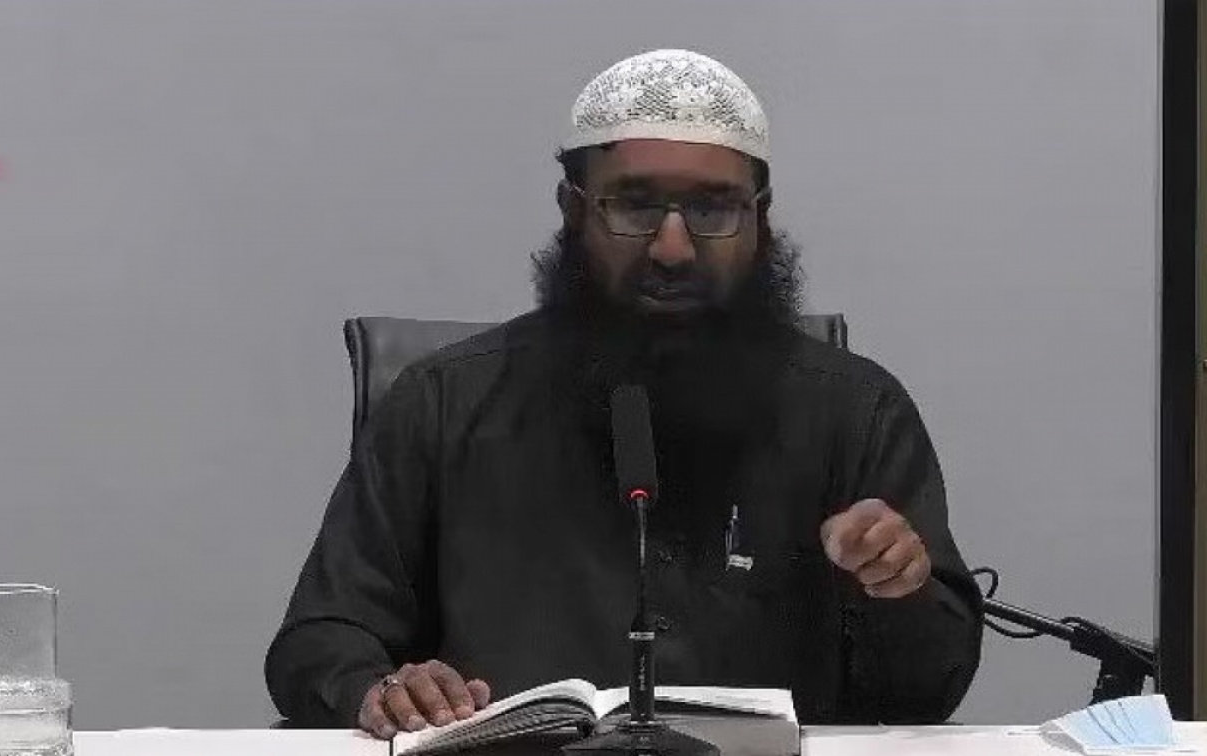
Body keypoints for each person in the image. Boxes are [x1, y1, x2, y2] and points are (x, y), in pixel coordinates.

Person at [264, 48, 983, 738]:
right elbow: (320, 638)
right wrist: (380, 688)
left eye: (713, 210)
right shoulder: (442, 404)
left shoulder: (855, 413)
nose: (672, 247)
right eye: (635, 207)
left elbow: (928, 692)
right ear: (573, 209)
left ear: (760, 219)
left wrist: (899, 589)